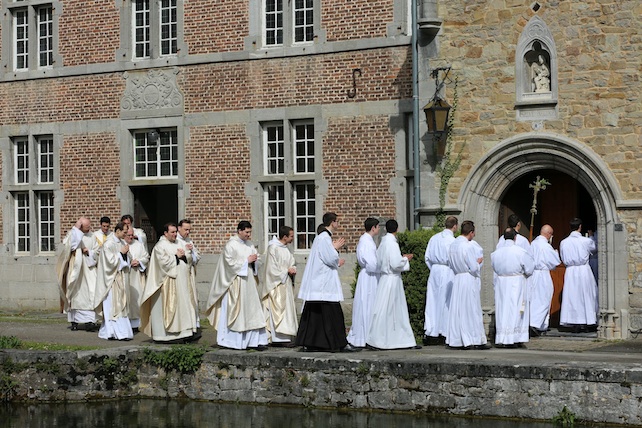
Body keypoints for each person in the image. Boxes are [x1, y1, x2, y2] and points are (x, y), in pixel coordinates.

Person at [295, 212, 359, 353]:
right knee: (333, 314)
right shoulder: (324, 238)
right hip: (323, 284)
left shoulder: (322, 238)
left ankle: (314, 343)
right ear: (332, 222)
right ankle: (338, 343)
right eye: (337, 222)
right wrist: (335, 250)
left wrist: (334, 254)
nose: (338, 225)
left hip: (320, 283)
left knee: (316, 316)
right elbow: (329, 258)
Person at [206, 221, 268, 350]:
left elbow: (258, 259)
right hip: (236, 283)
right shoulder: (231, 245)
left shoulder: (250, 244)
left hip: (249, 282)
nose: (248, 235)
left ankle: (253, 341)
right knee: (238, 312)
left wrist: (255, 261)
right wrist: (246, 261)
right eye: (246, 232)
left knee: (251, 311)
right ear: (239, 231)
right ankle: (232, 341)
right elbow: (229, 264)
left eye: (250, 232)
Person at [140, 222, 200, 343]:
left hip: (181, 283)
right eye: (172, 232)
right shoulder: (160, 246)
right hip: (167, 285)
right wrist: (176, 256)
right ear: (165, 233)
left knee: (182, 308)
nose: (174, 235)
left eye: (175, 232)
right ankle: (165, 335)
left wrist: (185, 255)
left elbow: (189, 257)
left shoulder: (180, 243)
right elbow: (163, 263)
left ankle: (183, 333)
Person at [366, 219, 418, 350]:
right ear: (397, 229)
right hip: (392, 280)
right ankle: (397, 340)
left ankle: (378, 338)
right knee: (394, 310)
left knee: (383, 309)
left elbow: (380, 261)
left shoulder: (383, 243)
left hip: (384, 279)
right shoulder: (392, 244)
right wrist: (405, 258)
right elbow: (395, 263)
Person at [446, 220, 490, 350]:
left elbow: (450, 263)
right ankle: (474, 339)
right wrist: (478, 262)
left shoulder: (453, 245)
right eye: (473, 233)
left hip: (457, 278)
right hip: (468, 279)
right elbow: (473, 267)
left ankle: (457, 339)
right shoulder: (467, 246)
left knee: (458, 310)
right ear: (471, 233)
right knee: (471, 309)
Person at [491, 228, 534, 347]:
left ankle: (503, 337)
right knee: (516, 309)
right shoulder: (520, 251)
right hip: (517, 284)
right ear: (515, 237)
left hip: (501, 284)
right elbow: (529, 269)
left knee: (503, 309)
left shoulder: (496, 253)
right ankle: (514, 337)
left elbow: (494, 267)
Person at [55, 216, 100, 332]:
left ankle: (90, 321)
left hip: (89, 268)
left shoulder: (93, 236)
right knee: (75, 294)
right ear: (80, 226)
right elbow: (70, 246)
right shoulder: (73, 235)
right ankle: (74, 321)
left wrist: (89, 252)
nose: (89, 228)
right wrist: (76, 230)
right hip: (76, 269)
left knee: (92, 292)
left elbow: (98, 251)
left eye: (89, 226)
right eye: (86, 227)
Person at [94, 222, 134, 341]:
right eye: (124, 232)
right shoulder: (109, 244)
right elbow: (109, 262)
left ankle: (121, 332)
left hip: (121, 279)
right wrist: (121, 254)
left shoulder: (122, 243)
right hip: (111, 281)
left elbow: (128, 258)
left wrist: (126, 255)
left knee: (121, 305)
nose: (125, 235)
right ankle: (112, 332)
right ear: (117, 230)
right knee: (112, 307)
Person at [259, 225, 298, 346]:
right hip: (276, 286)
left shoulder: (286, 249)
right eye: (291, 236)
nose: (293, 238)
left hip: (285, 284)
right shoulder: (273, 248)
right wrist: (286, 272)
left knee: (287, 311)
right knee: (278, 310)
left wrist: (292, 268)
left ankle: (286, 336)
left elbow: (291, 261)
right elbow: (271, 269)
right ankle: (277, 339)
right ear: (284, 237)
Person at [423, 216, 458, 345]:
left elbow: (427, 257)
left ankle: (431, 331)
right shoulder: (452, 241)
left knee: (432, 301)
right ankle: (443, 331)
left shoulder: (434, 238)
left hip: (435, 270)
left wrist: (433, 269)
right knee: (445, 301)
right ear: (455, 226)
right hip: (447, 270)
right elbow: (454, 259)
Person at [559, 218, 598, 332]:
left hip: (570, 271)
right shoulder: (585, 241)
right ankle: (587, 321)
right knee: (586, 295)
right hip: (583, 270)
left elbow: (562, 256)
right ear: (580, 227)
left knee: (573, 296)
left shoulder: (564, 242)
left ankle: (574, 321)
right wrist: (591, 236)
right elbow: (594, 249)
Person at [346, 218, 380, 348]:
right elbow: (371, 263)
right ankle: (365, 335)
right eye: (377, 227)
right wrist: (382, 267)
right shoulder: (366, 242)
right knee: (367, 304)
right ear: (373, 228)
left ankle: (367, 334)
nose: (378, 229)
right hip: (369, 276)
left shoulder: (366, 240)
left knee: (367, 304)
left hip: (369, 275)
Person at [529, 225, 561, 335]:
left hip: (533, 274)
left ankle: (540, 324)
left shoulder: (533, 243)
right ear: (548, 234)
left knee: (534, 299)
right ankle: (536, 324)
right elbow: (555, 262)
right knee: (544, 299)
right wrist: (556, 253)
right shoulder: (546, 246)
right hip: (543, 274)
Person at [124, 226, 150, 331]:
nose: (131, 237)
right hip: (126, 275)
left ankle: (136, 324)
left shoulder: (139, 244)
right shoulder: (121, 245)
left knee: (137, 299)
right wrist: (128, 263)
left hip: (137, 275)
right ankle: (127, 323)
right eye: (128, 235)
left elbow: (146, 256)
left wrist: (139, 261)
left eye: (132, 235)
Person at [177, 219, 201, 328]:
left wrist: (192, 252)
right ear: (179, 228)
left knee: (192, 298)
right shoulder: (175, 240)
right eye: (186, 229)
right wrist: (187, 253)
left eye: (189, 230)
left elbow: (197, 257)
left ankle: (193, 323)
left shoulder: (189, 241)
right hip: (179, 275)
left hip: (189, 274)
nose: (188, 232)